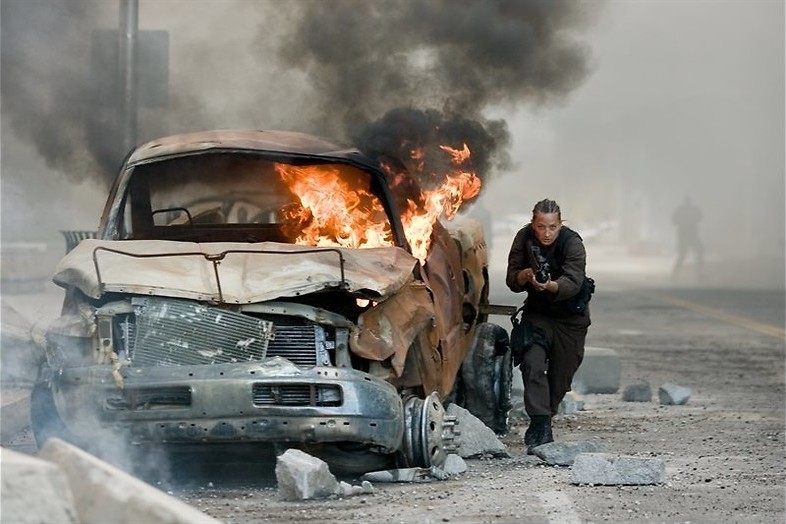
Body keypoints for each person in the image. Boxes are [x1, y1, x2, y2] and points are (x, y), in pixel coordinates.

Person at [505, 199, 591, 454]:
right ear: (533, 223)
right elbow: (512, 278)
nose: (546, 233)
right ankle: (541, 423)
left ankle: (546, 414)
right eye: (541, 226)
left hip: (570, 318)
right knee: (531, 361)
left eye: (552, 227)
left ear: (560, 224)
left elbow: (573, 282)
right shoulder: (523, 238)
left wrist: (550, 285)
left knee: (561, 376)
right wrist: (526, 276)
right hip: (539, 313)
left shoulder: (572, 243)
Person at [671, 196, 704, 279]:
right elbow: (674, 221)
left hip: (689, 235)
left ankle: (675, 274)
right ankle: (675, 274)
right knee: (684, 255)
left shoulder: (683, 209)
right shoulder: (686, 210)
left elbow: (700, 217)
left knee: (696, 252)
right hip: (686, 235)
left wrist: (686, 221)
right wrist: (687, 222)